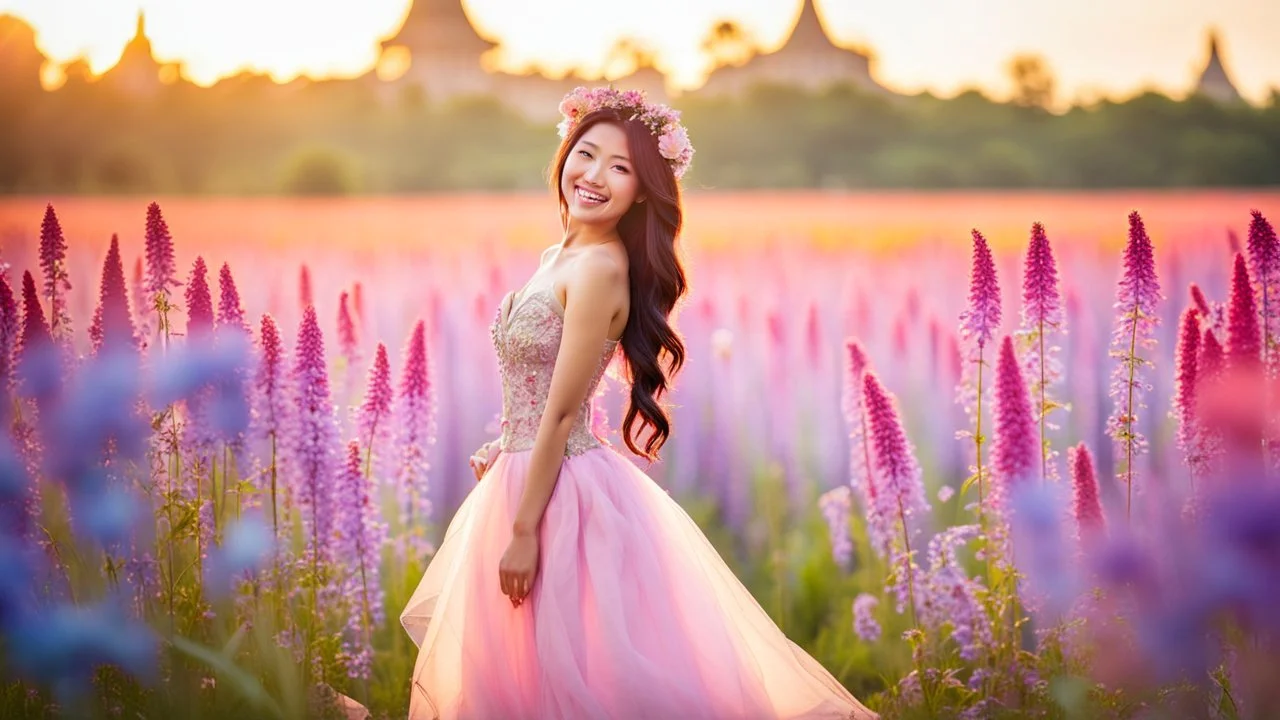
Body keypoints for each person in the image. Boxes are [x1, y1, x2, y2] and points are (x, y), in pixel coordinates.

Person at [400, 86, 877, 720]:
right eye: (586, 154)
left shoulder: (599, 268)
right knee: (518, 674)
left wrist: (522, 530)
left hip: (559, 498)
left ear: (644, 190)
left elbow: (566, 413)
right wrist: (507, 440)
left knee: (575, 675)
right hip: (526, 472)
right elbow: (537, 390)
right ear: (564, 153)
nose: (594, 176)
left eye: (620, 168)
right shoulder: (557, 256)